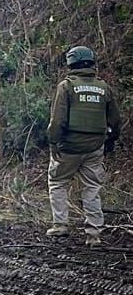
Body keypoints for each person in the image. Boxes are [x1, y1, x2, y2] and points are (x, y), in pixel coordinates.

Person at [46, 45, 121, 246]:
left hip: (68, 147)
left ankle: (60, 225)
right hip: (94, 147)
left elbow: (57, 121)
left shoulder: (66, 86)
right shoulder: (104, 87)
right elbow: (115, 121)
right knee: (92, 187)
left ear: (71, 63)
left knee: (57, 182)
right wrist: (110, 142)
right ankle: (94, 234)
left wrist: (53, 143)